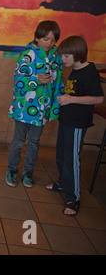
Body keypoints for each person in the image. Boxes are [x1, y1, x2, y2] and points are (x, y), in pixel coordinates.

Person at [46, 35, 103, 216]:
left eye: (66, 56)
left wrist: (71, 99)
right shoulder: (75, 69)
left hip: (77, 123)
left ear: (77, 54)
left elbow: (98, 98)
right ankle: (63, 183)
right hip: (67, 120)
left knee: (72, 159)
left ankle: (73, 198)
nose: (63, 60)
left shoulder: (89, 72)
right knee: (61, 155)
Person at [6, 21, 64, 188]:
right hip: (24, 109)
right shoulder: (26, 56)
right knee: (18, 141)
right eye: (46, 39)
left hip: (42, 111)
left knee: (34, 143)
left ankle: (28, 172)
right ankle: (11, 170)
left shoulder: (56, 59)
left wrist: (54, 109)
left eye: (53, 40)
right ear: (37, 37)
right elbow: (17, 82)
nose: (49, 43)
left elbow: (59, 85)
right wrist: (35, 79)